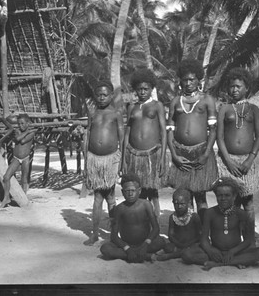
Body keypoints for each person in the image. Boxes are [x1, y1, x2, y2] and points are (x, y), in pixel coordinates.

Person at [166, 59, 219, 221]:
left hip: (201, 152)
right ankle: (188, 231)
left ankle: (203, 230)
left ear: (199, 80)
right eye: (185, 79)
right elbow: (169, 130)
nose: (188, 83)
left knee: (200, 195)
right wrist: (174, 155)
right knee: (184, 194)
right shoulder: (175, 101)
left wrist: (206, 154)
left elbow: (213, 130)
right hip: (180, 153)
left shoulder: (206, 100)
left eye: (192, 79)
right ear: (180, 81)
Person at [216, 68, 259, 246]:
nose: (234, 89)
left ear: (247, 88)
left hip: (247, 162)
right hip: (228, 162)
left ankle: (250, 242)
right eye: (231, 86)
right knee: (231, 205)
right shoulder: (224, 109)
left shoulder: (254, 109)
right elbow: (219, 137)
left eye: (238, 86)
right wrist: (228, 160)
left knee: (248, 203)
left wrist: (250, 159)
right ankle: (233, 241)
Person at [181, 177, 259, 270]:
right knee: (187, 254)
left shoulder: (241, 213)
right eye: (220, 195)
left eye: (227, 195)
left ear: (234, 196)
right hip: (216, 251)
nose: (223, 198)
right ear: (216, 196)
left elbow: (248, 241)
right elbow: (204, 239)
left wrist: (233, 251)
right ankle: (236, 262)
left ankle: (217, 264)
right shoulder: (210, 213)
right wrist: (210, 250)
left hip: (236, 251)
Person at [83, 80, 125, 246]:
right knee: (98, 197)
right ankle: (94, 233)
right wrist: (86, 160)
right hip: (94, 159)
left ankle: (114, 233)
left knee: (110, 196)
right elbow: (87, 135)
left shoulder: (116, 114)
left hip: (110, 159)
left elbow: (122, 138)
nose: (101, 98)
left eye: (104, 95)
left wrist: (121, 162)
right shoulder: (93, 114)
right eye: (98, 95)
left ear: (111, 96)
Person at [122, 68, 167, 218]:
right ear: (135, 89)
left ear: (151, 89)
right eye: (139, 89)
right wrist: (123, 160)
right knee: (138, 192)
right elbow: (127, 134)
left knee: (153, 193)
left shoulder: (157, 105)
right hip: (134, 155)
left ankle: (155, 227)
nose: (142, 92)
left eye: (145, 89)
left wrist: (162, 158)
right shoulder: (131, 107)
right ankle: (141, 225)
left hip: (152, 155)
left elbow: (163, 132)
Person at [99, 173, 166, 263]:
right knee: (105, 249)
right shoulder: (119, 209)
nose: (130, 194)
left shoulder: (146, 204)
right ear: (122, 192)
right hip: (127, 245)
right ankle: (145, 256)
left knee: (161, 242)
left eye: (133, 190)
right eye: (127, 191)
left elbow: (156, 228)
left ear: (139, 191)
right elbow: (114, 236)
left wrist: (146, 244)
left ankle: (135, 255)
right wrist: (127, 249)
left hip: (144, 243)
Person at [155, 188, 202, 261]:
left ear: (189, 203)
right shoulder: (173, 217)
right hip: (178, 244)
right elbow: (170, 235)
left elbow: (200, 234)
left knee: (197, 248)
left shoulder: (194, 216)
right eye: (176, 204)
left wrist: (188, 244)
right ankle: (179, 253)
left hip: (192, 244)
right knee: (168, 247)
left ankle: (170, 256)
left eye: (182, 204)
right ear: (172, 202)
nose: (179, 206)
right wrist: (179, 244)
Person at [0, 113, 36, 208]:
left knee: (24, 179)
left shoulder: (32, 133)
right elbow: (18, 138)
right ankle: (6, 197)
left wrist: (27, 133)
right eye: (19, 124)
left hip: (25, 159)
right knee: (6, 177)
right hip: (16, 158)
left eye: (23, 123)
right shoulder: (22, 131)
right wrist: (27, 131)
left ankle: (23, 198)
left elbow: (23, 141)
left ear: (28, 123)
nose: (21, 125)